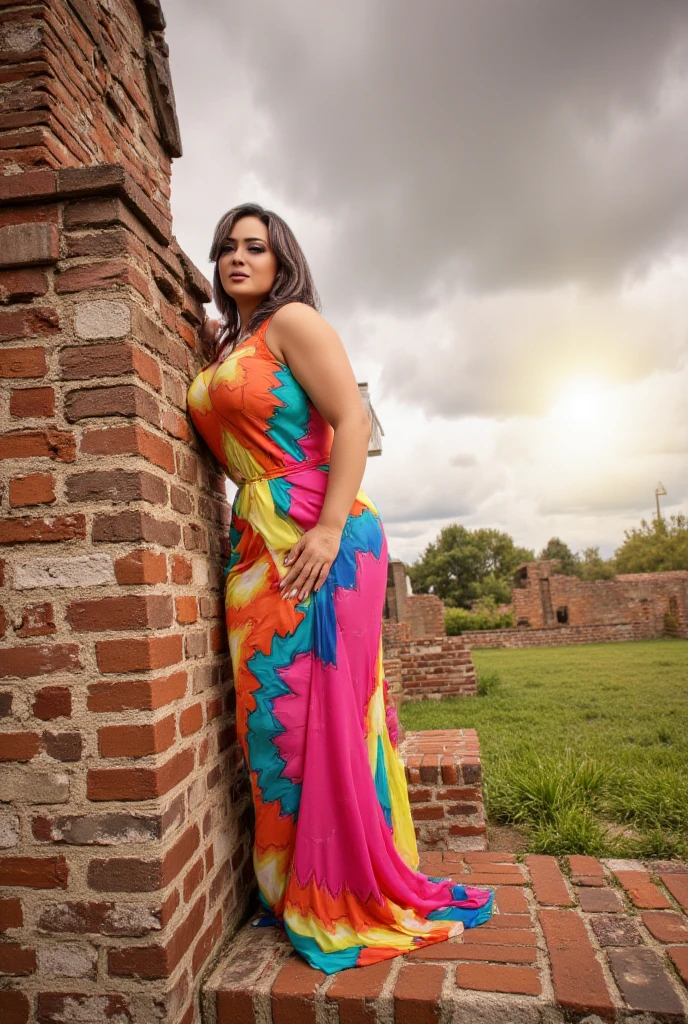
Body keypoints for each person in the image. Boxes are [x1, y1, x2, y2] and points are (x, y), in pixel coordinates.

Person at [187, 202, 494, 973]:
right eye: (225, 247)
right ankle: (294, 885)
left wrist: (325, 529)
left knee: (317, 717)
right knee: (272, 723)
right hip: (259, 537)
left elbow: (351, 421)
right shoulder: (234, 340)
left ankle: (339, 887)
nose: (236, 257)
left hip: (322, 533)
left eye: (254, 246)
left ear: (281, 256)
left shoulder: (295, 323)